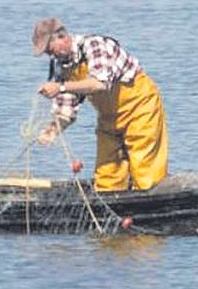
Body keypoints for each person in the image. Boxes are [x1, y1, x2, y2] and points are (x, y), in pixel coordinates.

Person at [32, 17, 168, 192]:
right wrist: (52, 132)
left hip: (141, 109)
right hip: (109, 119)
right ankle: (113, 209)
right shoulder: (60, 66)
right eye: (47, 53)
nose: (50, 55)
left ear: (62, 37)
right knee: (106, 178)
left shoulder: (95, 46)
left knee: (145, 174)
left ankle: (151, 206)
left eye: (50, 50)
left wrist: (60, 87)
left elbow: (99, 83)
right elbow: (66, 109)